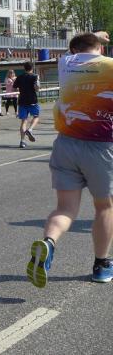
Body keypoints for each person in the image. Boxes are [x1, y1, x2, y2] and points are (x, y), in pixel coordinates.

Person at [26, 31, 113, 287]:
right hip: (101, 146)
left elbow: (78, 46)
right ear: (101, 48)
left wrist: (92, 37)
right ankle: (101, 265)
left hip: (66, 143)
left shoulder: (66, 64)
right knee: (104, 207)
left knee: (65, 209)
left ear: (74, 51)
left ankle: (49, 242)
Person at [13, 61, 40, 149]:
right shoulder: (35, 76)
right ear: (32, 68)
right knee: (36, 116)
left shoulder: (19, 77)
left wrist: (21, 90)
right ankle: (30, 129)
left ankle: (22, 141)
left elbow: (14, 89)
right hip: (32, 100)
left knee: (24, 121)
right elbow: (37, 89)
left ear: (24, 68)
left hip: (22, 101)